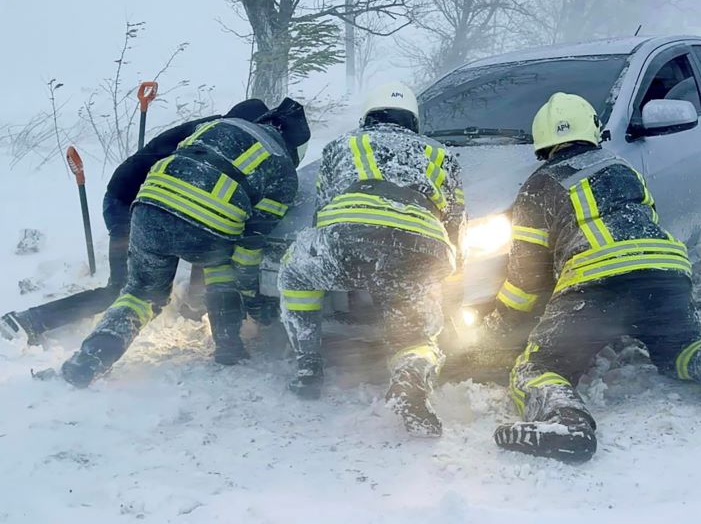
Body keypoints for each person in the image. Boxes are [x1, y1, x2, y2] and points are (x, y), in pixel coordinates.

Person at [481, 93, 701, 463]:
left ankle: (567, 423)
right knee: (679, 346)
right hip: (666, 274)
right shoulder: (623, 168)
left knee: (539, 367)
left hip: (596, 285)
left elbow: (526, 281)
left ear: (543, 140)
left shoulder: (538, 186)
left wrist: (499, 324)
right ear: (591, 129)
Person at [59, 97, 310, 388]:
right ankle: (229, 348)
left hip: (148, 209)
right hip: (207, 226)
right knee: (221, 268)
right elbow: (249, 247)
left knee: (140, 294)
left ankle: (91, 359)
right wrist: (253, 299)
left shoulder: (216, 126)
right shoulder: (283, 170)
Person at [278, 82, 466, 437]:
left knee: (296, 273)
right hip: (419, 248)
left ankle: (308, 364)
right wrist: (446, 276)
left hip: (349, 238)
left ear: (367, 116)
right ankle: (410, 378)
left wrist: (342, 258)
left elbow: (323, 210)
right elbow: (456, 224)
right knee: (417, 334)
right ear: (413, 120)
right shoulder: (442, 154)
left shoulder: (342, 145)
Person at [0, 100, 270, 345]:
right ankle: (29, 320)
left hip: (157, 204)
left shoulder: (216, 132)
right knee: (122, 290)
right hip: (129, 205)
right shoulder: (219, 140)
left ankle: (192, 305)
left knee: (205, 234)